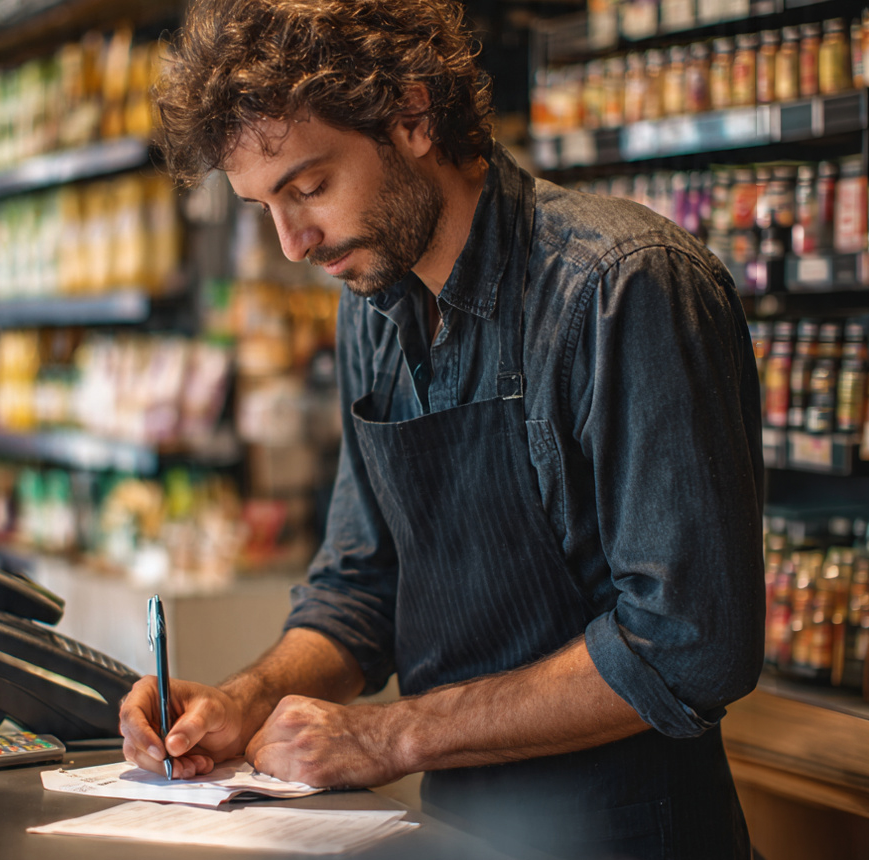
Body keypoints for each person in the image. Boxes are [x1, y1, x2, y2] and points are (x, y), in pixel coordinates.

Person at [119, 1, 766, 857]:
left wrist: (388, 738)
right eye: (263, 206)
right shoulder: (372, 312)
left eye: (309, 187)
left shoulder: (622, 289)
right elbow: (362, 588)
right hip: (458, 833)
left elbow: (687, 645)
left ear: (413, 115)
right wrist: (246, 701)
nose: (292, 243)